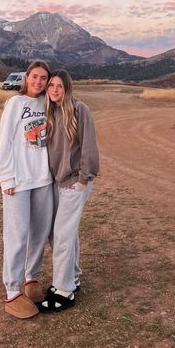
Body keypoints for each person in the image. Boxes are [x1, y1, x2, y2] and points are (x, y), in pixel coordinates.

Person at [0, 60, 53, 319]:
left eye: (44, 78)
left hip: (43, 179)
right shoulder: (15, 104)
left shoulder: (48, 105)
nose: (39, 82)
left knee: (39, 233)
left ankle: (31, 280)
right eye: (35, 77)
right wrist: (5, 178)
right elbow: (3, 140)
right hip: (18, 181)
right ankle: (12, 291)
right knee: (17, 236)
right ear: (26, 78)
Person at [40, 69, 99, 312]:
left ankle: (64, 291)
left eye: (59, 86)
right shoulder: (49, 112)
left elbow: (89, 145)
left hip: (76, 181)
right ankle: (72, 277)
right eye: (51, 85)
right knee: (60, 234)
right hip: (57, 181)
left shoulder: (79, 109)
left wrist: (84, 178)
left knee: (63, 234)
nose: (54, 89)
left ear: (67, 88)